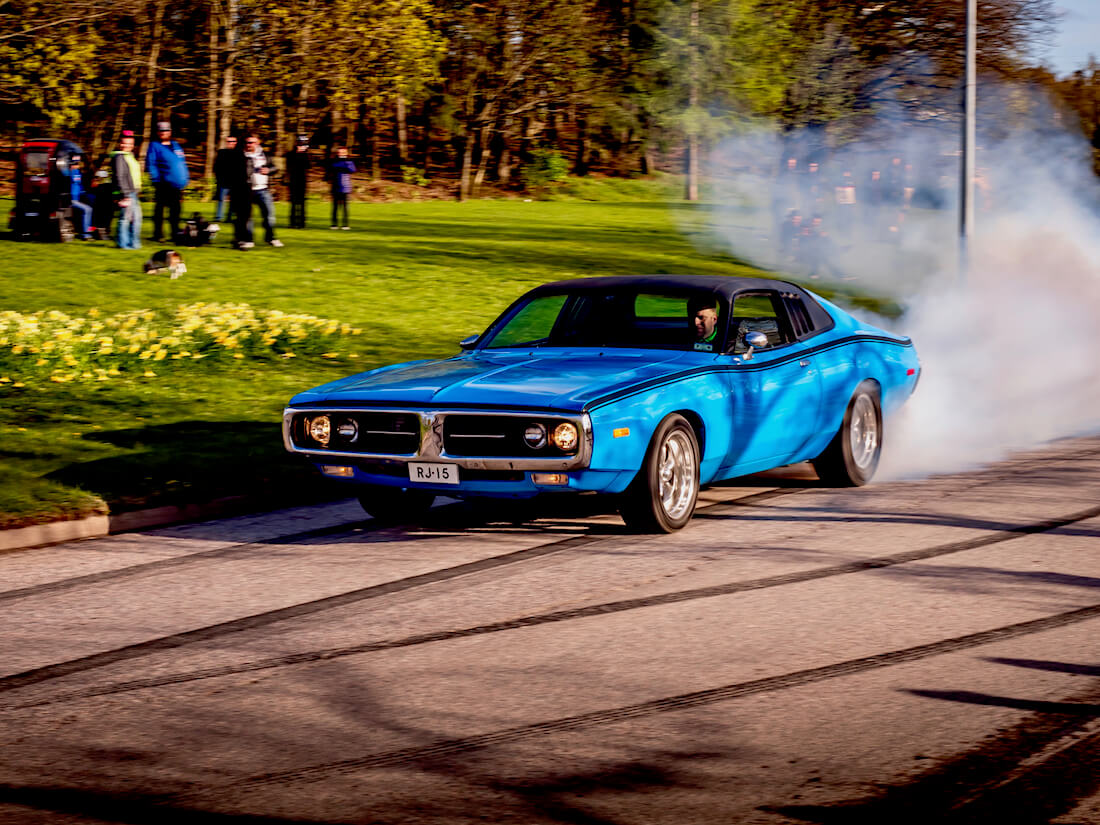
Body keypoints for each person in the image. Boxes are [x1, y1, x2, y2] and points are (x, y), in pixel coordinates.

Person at [145, 121, 189, 242]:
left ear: (170, 132)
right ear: (158, 132)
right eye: (161, 131)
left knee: (176, 210)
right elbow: (151, 163)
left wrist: (185, 178)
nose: (164, 133)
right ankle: (158, 234)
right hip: (163, 183)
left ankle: (175, 233)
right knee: (160, 210)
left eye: (166, 130)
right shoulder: (154, 146)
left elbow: (182, 162)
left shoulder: (176, 145)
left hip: (177, 184)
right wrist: (156, 179)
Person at [243, 133, 283, 248]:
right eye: (247, 142)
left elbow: (275, 167)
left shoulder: (265, 155)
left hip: (263, 190)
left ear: (258, 143)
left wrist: (268, 170)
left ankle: (271, 238)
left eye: (251, 142)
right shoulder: (242, 155)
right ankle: (248, 240)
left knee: (269, 216)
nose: (249, 145)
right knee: (248, 217)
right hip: (247, 190)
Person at [111, 130, 143, 250]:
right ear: (121, 144)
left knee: (137, 219)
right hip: (127, 192)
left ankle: (134, 244)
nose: (128, 146)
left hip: (133, 191)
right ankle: (123, 244)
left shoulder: (129, 156)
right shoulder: (119, 157)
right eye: (125, 143)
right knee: (125, 219)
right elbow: (120, 176)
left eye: (130, 143)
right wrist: (125, 195)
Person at [286, 135, 310, 228]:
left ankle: (301, 223)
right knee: (293, 203)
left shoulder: (305, 155)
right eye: (300, 144)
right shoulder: (291, 154)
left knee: (302, 203)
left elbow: (307, 166)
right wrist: (297, 153)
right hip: (293, 181)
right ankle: (292, 222)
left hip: (302, 181)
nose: (301, 146)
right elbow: (289, 165)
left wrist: (303, 154)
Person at [328, 145, 355, 230]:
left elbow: (352, 170)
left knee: (345, 208)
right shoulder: (334, 161)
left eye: (343, 152)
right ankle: (334, 224)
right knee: (335, 207)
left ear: (346, 153)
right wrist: (343, 165)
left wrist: (343, 165)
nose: (341, 154)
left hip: (345, 187)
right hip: (336, 186)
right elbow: (332, 168)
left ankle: (345, 224)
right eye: (340, 152)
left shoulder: (349, 161)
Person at [68, 154, 94, 240]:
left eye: (77, 163)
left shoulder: (78, 172)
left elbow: (79, 187)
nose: (76, 165)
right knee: (87, 209)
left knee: (94, 200)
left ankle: (94, 228)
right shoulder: (67, 174)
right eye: (73, 163)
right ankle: (86, 234)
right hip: (71, 200)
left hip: (79, 197)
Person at [212, 135, 237, 222]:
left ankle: (229, 218)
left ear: (236, 142)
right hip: (223, 181)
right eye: (229, 141)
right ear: (226, 142)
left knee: (233, 201)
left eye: (233, 141)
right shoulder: (221, 152)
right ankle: (219, 217)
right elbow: (216, 167)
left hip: (235, 182)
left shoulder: (239, 153)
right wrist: (218, 178)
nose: (231, 143)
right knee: (221, 200)